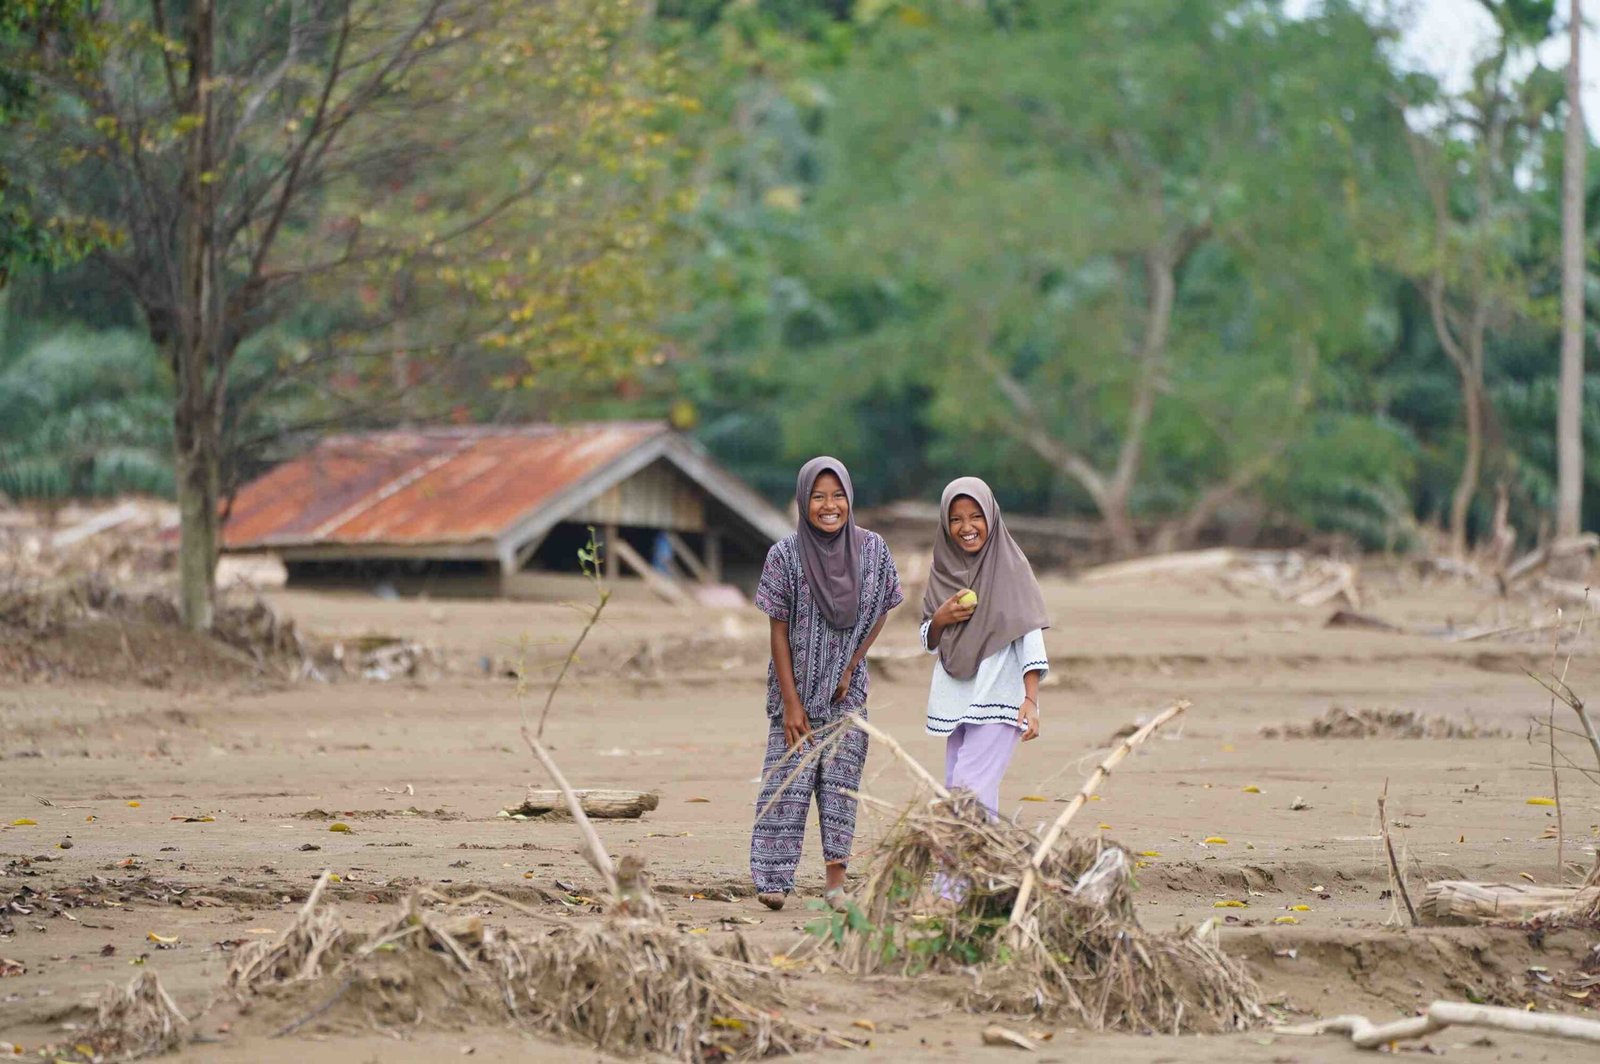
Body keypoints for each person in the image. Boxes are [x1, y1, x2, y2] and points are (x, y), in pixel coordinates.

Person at [750, 457, 903, 911]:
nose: (829, 505)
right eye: (818, 497)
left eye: (837, 496)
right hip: (792, 697)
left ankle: (836, 886)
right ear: (803, 501)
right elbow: (778, 631)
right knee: (785, 786)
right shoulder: (784, 555)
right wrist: (791, 703)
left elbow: (884, 606)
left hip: (846, 697)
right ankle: (773, 882)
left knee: (841, 790)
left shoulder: (873, 550)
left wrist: (852, 665)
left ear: (849, 499)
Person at [921, 477, 1050, 820]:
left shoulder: (1012, 568)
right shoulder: (942, 570)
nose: (967, 527)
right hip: (957, 700)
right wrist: (941, 618)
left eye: (976, 516)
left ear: (991, 516)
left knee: (968, 790)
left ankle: (964, 857)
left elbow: (1030, 635)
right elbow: (928, 639)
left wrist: (1031, 700)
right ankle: (979, 855)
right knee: (960, 789)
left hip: (999, 698)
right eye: (956, 519)